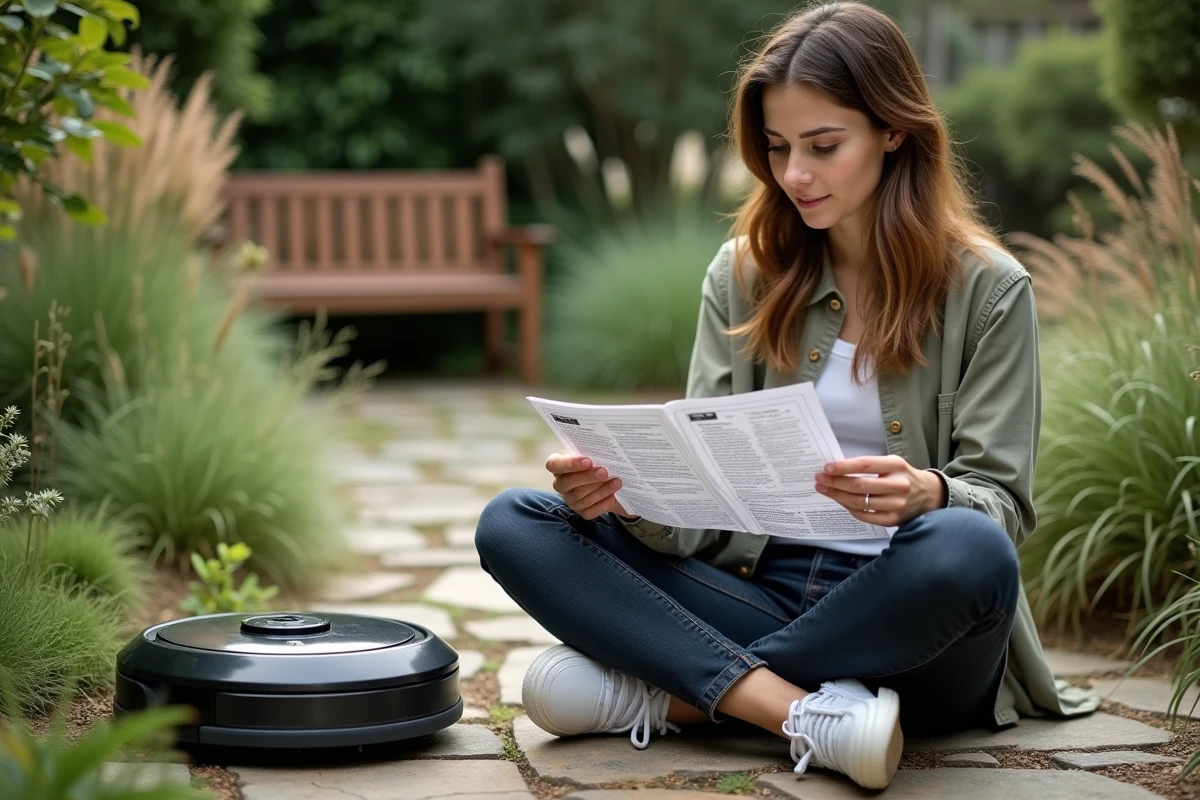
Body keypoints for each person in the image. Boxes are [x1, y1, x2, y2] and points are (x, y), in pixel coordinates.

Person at [474, 0, 1099, 790]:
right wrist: (627, 500)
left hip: (916, 620)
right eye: (776, 148)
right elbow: (695, 518)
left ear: (892, 131)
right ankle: (803, 713)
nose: (794, 174)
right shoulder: (742, 274)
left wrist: (927, 492)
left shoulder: (989, 290)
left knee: (969, 548)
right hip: (758, 595)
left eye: (824, 146)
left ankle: (677, 699)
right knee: (515, 522)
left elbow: (1004, 506)